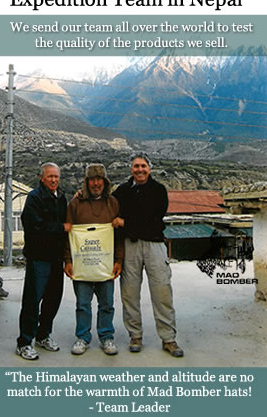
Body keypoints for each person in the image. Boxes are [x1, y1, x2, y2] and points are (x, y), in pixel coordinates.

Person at [112, 153, 184, 357]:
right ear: (131, 169)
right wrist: (82, 196)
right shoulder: (122, 191)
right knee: (129, 292)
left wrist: (126, 222)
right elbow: (109, 207)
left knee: (162, 291)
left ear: (149, 169)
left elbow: (153, 219)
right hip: (130, 246)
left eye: (143, 166)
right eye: (136, 166)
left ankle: (168, 338)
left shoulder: (159, 190)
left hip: (154, 245)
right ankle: (135, 335)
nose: (139, 170)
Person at [64, 163, 123, 356]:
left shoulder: (113, 203)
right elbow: (68, 234)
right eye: (92, 179)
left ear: (105, 182)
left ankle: (106, 337)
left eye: (99, 179)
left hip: (105, 264)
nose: (96, 183)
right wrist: (68, 260)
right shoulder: (75, 204)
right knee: (83, 304)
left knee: (107, 304)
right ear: (86, 182)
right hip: (82, 264)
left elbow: (119, 236)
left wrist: (118, 260)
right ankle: (83, 337)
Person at [16, 162, 71, 360]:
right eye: (50, 176)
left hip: (56, 259)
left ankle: (43, 335)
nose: (54, 180)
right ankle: (24, 342)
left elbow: (67, 223)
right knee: (32, 301)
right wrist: (60, 228)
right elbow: (34, 226)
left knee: (52, 300)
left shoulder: (62, 197)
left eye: (56, 176)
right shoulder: (34, 198)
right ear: (42, 178)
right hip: (39, 258)